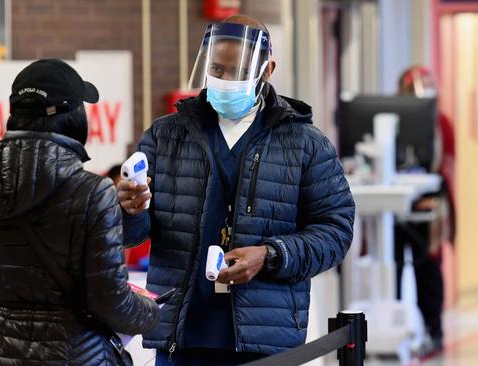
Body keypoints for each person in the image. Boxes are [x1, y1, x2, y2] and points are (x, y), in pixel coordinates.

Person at [118, 15, 355, 365]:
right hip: (181, 339)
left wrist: (271, 255)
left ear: (267, 69)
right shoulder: (166, 135)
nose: (224, 81)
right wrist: (128, 209)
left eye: (237, 70)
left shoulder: (304, 144)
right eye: (216, 69)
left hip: (265, 343)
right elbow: (130, 235)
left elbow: (336, 233)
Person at [0, 59, 159, 365]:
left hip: (1, 351)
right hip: (76, 355)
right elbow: (110, 303)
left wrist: (117, 213)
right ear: (70, 115)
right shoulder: (92, 192)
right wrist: (150, 310)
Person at [394, 65, 456, 353]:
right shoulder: (389, 120)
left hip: (430, 209)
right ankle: (391, 331)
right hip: (394, 209)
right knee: (390, 269)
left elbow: (447, 167)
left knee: (428, 272)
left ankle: (434, 331)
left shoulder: (442, 123)